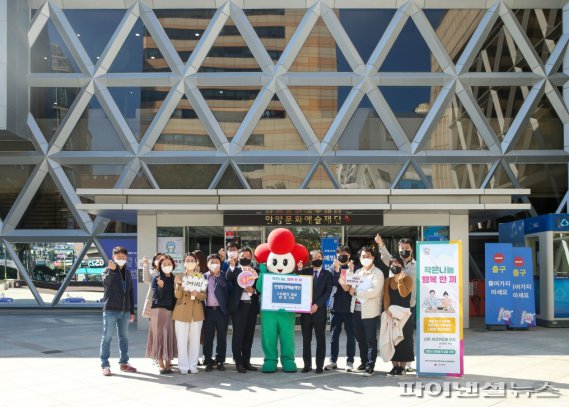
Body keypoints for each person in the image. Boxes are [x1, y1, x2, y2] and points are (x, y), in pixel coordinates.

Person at [376, 235, 417, 371]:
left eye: (406, 248)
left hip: (409, 305)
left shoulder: (418, 266)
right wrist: (381, 244)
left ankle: (405, 364)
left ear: (411, 250)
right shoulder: (394, 262)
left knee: (406, 336)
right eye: (401, 248)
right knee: (393, 336)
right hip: (393, 308)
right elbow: (386, 255)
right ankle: (395, 365)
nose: (404, 250)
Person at [100, 246, 137, 376]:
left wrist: (132, 311)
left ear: (126, 258)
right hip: (110, 310)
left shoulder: (127, 272)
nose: (121, 259)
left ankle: (124, 363)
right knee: (107, 337)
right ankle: (105, 365)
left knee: (124, 338)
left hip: (125, 311)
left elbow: (130, 293)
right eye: (118, 257)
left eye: (123, 257)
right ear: (113, 257)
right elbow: (106, 284)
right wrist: (111, 271)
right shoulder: (107, 270)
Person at [347, 246, 384, 377]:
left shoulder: (378, 273)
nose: (366, 258)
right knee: (360, 339)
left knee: (370, 340)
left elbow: (374, 291)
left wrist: (356, 291)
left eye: (368, 256)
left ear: (373, 257)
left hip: (370, 311)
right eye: (363, 256)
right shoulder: (358, 272)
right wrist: (350, 273)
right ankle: (363, 362)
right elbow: (351, 286)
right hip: (356, 310)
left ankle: (370, 365)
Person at [297, 249, 333, 374]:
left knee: (320, 339)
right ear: (311, 260)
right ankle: (307, 365)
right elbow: (298, 285)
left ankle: (319, 365)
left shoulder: (328, 274)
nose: (317, 259)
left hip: (319, 311)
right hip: (306, 312)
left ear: (323, 258)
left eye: (319, 257)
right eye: (314, 257)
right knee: (306, 339)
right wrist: (300, 269)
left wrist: (317, 305)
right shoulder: (305, 271)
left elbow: (327, 293)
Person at [226, 247, 259, 373]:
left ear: (252, 257)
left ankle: (247, 361)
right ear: (238, 257)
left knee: (249, 335)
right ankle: (238, 362)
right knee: (238, 335)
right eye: (242, 256)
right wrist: (232, 266)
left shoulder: (255, 271)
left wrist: (254, 290)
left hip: (251, 306)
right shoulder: (235, 269)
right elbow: (229, 278)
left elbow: (260, 289)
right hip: (238, 306)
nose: (245, 258)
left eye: (247, 256)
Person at [172, 252, 206, 375]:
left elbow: (204, 296)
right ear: (184, 262)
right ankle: (183, 366)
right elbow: (177, 295)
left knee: (195, 341)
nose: (190, 262)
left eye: (192, 260)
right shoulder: (179, 277)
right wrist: (179, 284)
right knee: (182, 341)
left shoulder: (200, 277)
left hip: (196, 312)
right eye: (188, 260)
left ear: (196, 262)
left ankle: (193, 365)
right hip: (181, 312)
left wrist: (197, 294)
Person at [325, 246, 356, 372]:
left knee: (351, 336)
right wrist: (337, 271)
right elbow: (332, 282)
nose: (342, 256)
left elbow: (353, 285)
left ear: (349, 256)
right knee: (334, 336)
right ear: (336, 256)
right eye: (340, 254)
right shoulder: (332, 269)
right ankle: (333, 360)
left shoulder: (354, 269)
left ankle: (350, 361)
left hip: (349, 308)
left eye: (345, 254)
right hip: (336, 308)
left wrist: (351, 271)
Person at [146, 255, 178, 374]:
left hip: (171, 310)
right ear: (160, 266)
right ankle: (160, 364)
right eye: (164, 264)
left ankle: (168, 364)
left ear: (173, 265)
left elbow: (176, 296)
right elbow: (156, 297)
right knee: (159, 336)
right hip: (158, 310)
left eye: (169, 264)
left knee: (169, 335)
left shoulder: (175, 278)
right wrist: (160, 287)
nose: (167, 266)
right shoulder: (157, 278)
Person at [383, 255, 414, 376]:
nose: (394, 266)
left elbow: (404, 294)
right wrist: (387, 310)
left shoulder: (408, 279)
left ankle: (402, 367)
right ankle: (394, 366)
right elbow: (385, 296)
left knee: (405, 340)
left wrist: (400, 280)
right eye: (392, 264)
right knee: (392, 340)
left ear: (402, 265)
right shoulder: (387, 281)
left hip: (404, 315)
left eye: (397, 264)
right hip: (391, 314)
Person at [203, 253, 229, 372]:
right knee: (208, 337)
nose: (214, 264)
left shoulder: (224, 276)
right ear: (207, 264)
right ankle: (208, 360)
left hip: (221, 311)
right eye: (211, 262)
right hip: (208, 311)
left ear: (220, 264)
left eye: (216, 262)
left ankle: (220, 360)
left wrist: (218, 274)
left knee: (222, 337)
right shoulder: (203, 277)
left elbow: (224, 285)